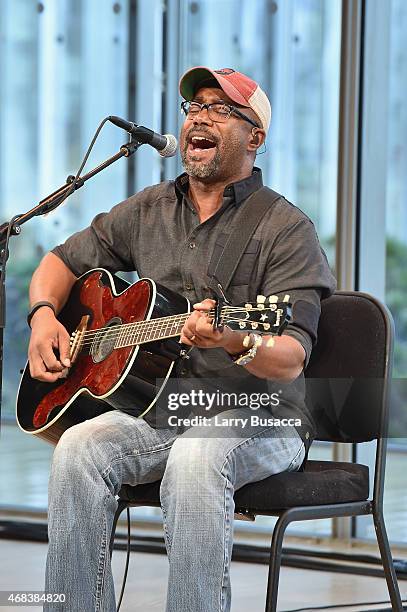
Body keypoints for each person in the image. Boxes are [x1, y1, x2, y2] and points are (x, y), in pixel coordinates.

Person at [27, 66, 336, 611]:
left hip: (261, 412)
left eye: (220, 109)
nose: (200, 116)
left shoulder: (286, 229)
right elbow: (61, 260)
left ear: (254, 138)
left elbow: (290, 356)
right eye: (195, 107)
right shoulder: (148, 208)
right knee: (78, 449)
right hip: (161, 410)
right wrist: (45, 315)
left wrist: (237, 339)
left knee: (197, 457)